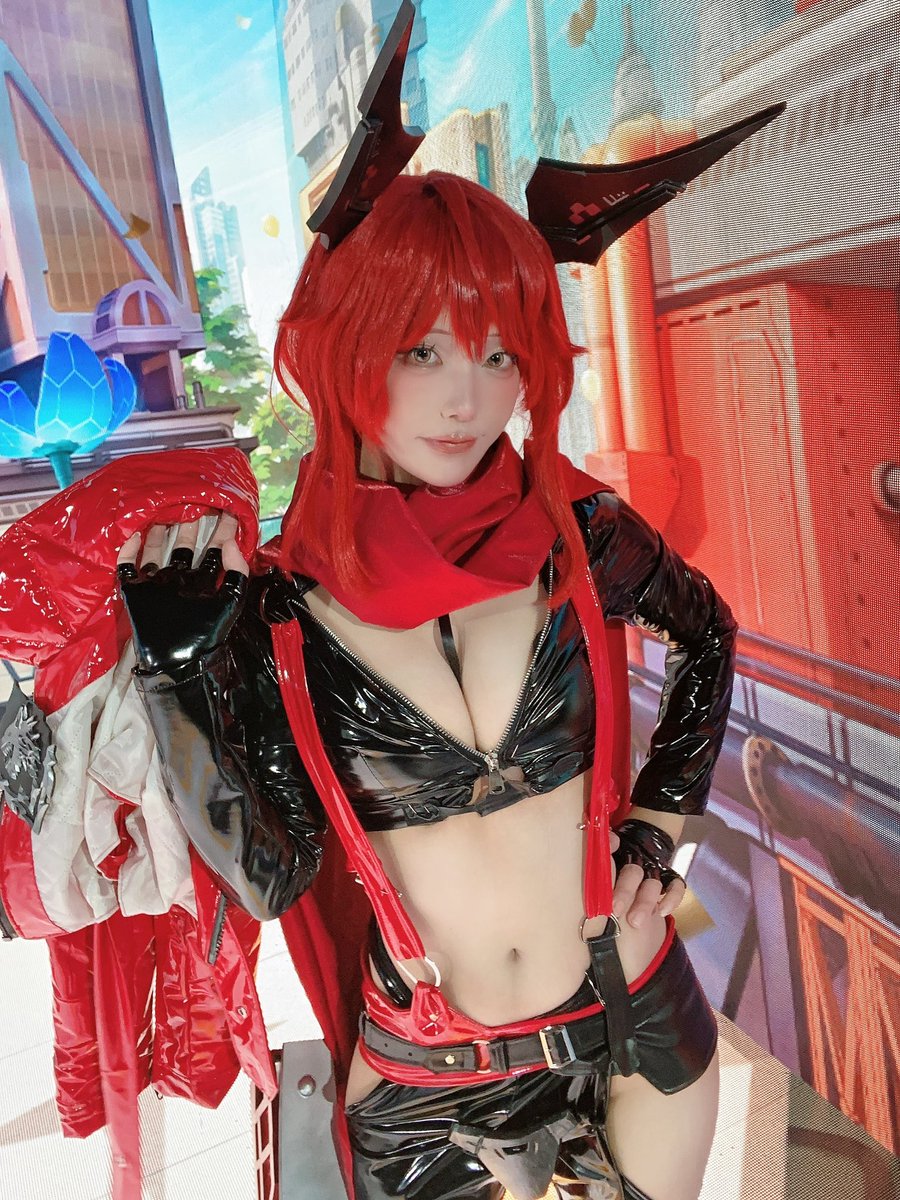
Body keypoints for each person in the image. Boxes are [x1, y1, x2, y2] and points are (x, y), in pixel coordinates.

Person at [114, 170, 737, 1200]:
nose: (467, 400)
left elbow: (707, 633)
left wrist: (655, 834)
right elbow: (272, 875)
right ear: (348, 350)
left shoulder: (578, 536)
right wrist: (179, 679)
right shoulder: (279, 615)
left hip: (629, 1010)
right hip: (425, 1073)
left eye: (500, 355)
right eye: (422, 351)